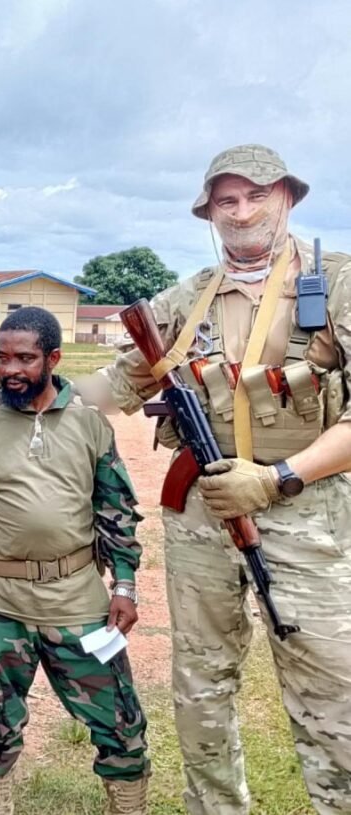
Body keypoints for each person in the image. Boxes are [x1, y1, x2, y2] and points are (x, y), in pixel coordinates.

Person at [78, 144, 351, 815]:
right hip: (201, 514)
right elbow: (112, 386)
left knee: (332, 687)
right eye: (225, 201)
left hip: (306, 507)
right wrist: (22, 394)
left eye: (255, 195)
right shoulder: (186, 298)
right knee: (201, 685)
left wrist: (277, 477)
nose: (241, 211)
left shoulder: (337, 282)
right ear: (209, 213)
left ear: (286, 197)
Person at [0, 306, 149, 815]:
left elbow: (116, 509)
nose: (10, 370)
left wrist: (126, 586)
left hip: (78, 603)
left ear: (53, 358)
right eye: (3, 358)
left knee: (120, 723)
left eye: (25, 358)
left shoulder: (90, 423)